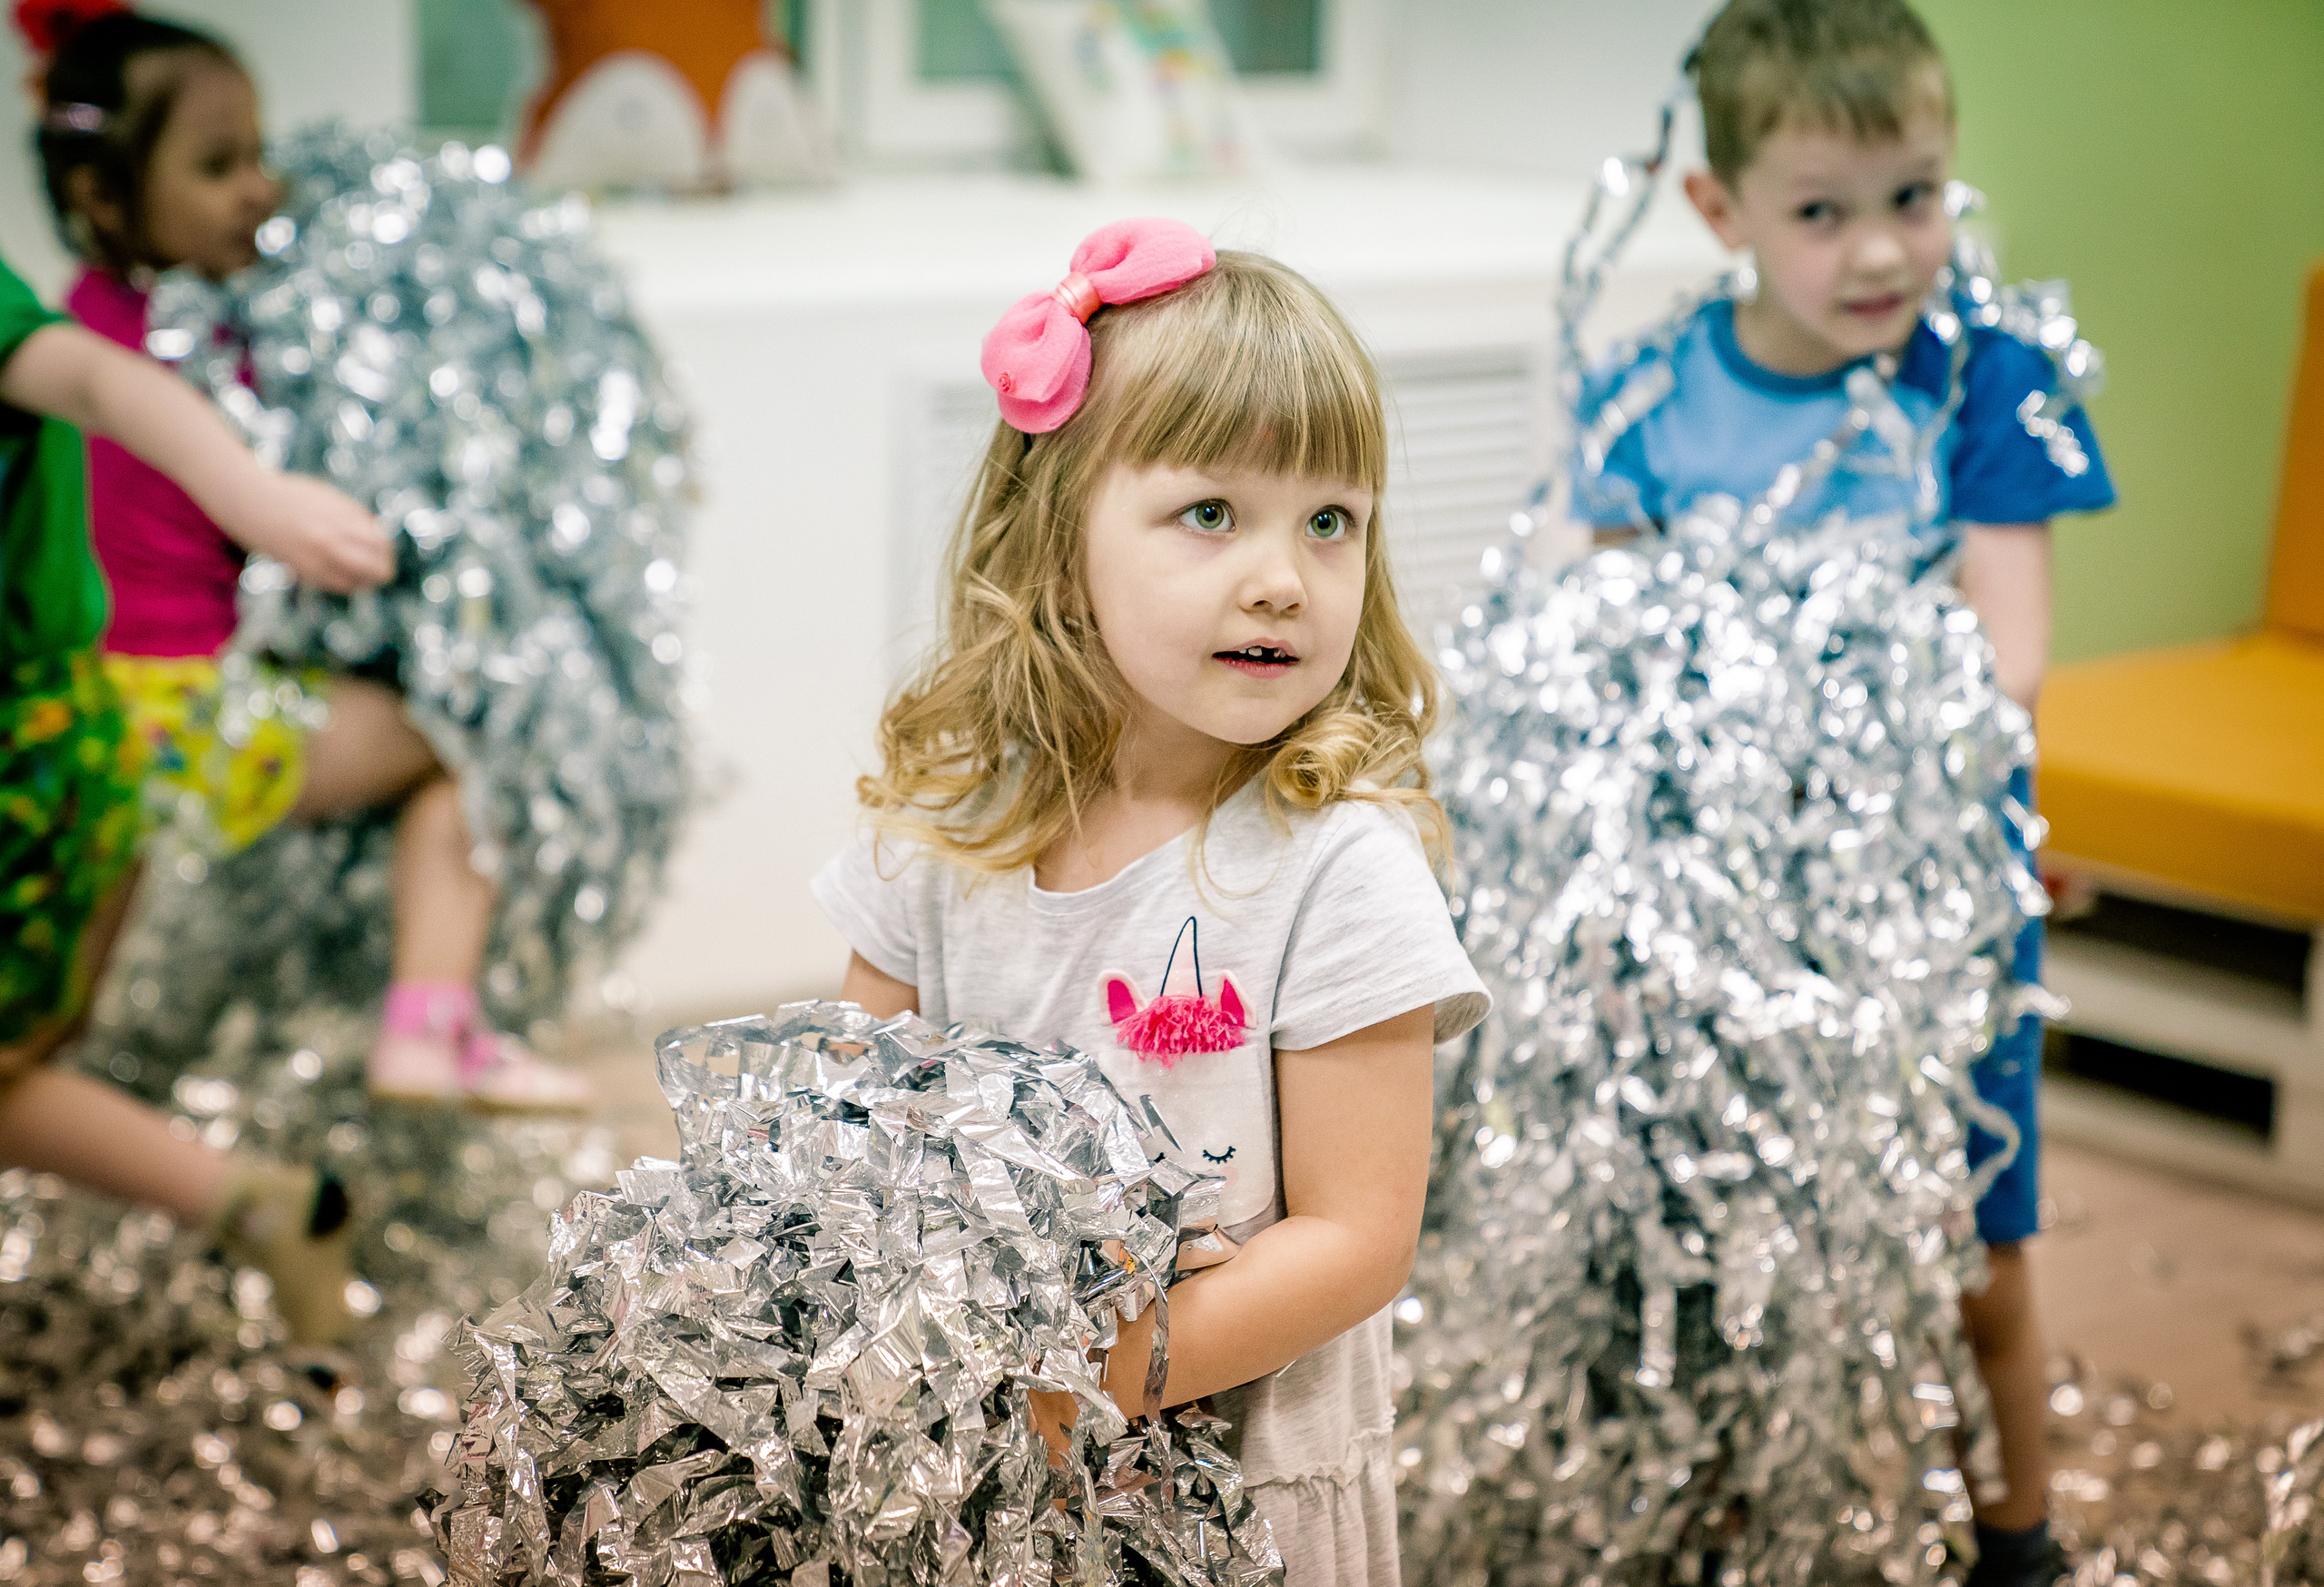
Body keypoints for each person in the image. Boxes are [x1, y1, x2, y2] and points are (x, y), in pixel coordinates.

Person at [811, 218, 1490, 1587]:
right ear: (1061, 546)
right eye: (1210, 513)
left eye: (1330, 521)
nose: (1283, 576)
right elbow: (846, 1124)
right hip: (976, 1477)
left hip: (1231, 1489)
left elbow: (1358, 1241)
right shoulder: (950, 828)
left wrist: (1082, 1384)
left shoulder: (1335, 866)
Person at [1571, 3, 2115, 1582]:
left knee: (1972, 1250)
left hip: (1926, 936)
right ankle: (1725, 1520)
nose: (1883, 250)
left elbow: (2004, 664)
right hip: (1711, 927)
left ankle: (2017, 1534)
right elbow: (1610, 655)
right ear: (1721, 212)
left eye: (1917, 195)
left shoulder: (1989, 385)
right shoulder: (1649, 397)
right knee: (1714, 1239)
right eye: (1822, 211)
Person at [25, 3, 592, 1113]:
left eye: (258, 154)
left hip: (88, 721)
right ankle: (429, 1028)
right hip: (196, 719)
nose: (258, 188)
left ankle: (40, 1087)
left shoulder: (70, 324)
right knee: (466, 743)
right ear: (102, 197)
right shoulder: (208, 342)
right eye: (216, 163)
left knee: (54, 1005)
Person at [0, 238, 362, 1346]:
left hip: (31, 757)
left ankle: (265, 1204)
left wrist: (247, 493)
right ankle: (263, 1204)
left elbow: (96, 375)